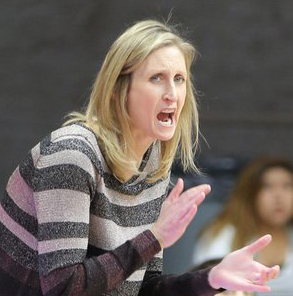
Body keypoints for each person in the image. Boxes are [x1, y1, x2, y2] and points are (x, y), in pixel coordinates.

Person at [0, 19, 279, 296]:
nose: (172, 94)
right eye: (156, 78)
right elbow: (62, 288)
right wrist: (155, 237)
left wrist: (211, 279)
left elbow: (141, 289)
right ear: (118, 90)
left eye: (179, 79)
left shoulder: (152, 166)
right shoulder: (72, 155)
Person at [193, 156, 293, 295]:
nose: (279, 196)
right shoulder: (223, 236)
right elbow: (207, 288)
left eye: (287, 186)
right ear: (249, 194)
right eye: (267, 186)